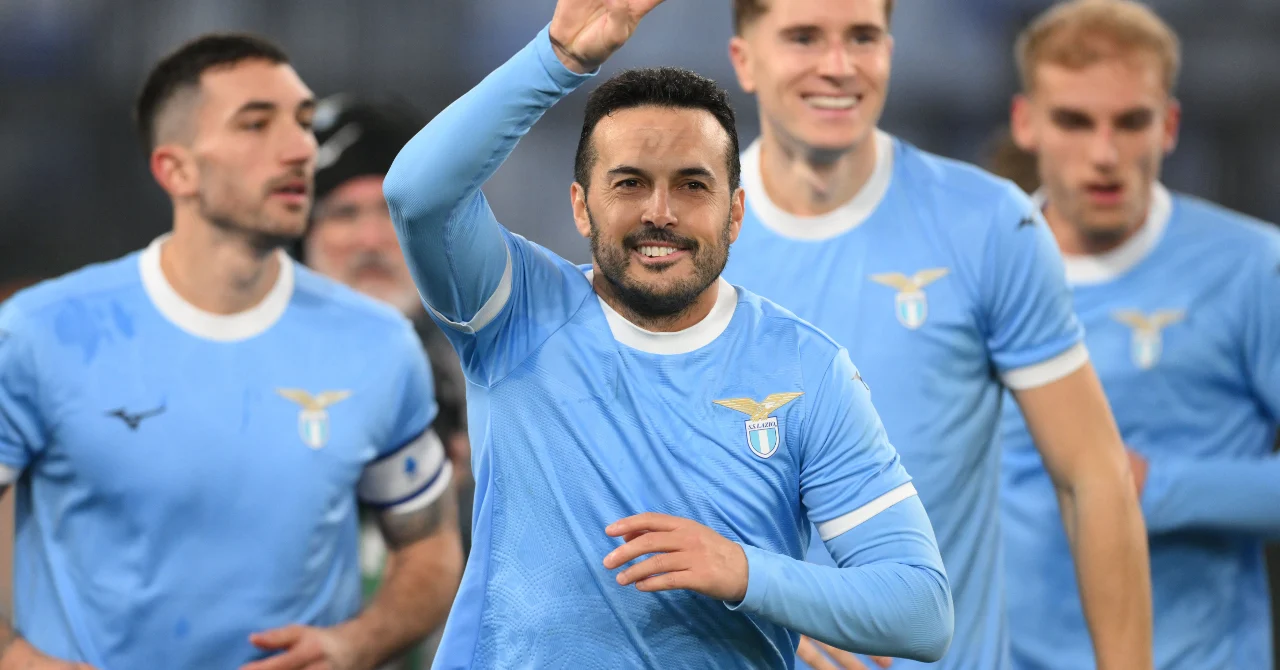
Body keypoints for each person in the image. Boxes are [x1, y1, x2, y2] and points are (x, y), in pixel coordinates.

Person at [382, 0, 955, 667]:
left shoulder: (807, 369)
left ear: (734, 213)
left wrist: (744, 571)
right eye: (630, 183)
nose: (660, 212)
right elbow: (418, 195)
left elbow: (921, 611)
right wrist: (556, 59)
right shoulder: (513, 311)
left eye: (691, 185)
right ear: (581, 207)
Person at [0, 33, 462, 670]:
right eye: (255, 124)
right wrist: (18, 658)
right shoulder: (40, 332)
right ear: (177, 169)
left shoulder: (378, 344)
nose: (299, 148)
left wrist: (356, 644)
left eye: (302, 121)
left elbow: (429, 547)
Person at [720, 1, 1153, 669]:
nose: (837, 66)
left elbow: (1093, 476)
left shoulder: (988, 224)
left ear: (890, 50)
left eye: (862, 37)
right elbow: (643, 490)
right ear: (744, 60)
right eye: (804, 38)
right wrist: (772, 609)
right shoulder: (691, 242)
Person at [997, 1, 1280, 668]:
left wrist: (1158, 487)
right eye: (1074, 121)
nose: (1105, 154)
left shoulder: (1254, 269)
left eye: (1131, 122)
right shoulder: (974, 271)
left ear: (1169, 125)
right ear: (1026, 122)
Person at [299, 93, 474, 670]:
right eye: (344, 214)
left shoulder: (499, 367)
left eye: (390, 213)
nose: (371, 240)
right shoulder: (245, 363)